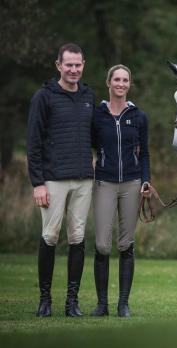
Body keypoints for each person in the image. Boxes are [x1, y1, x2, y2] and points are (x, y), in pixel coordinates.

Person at [27, 43, 95, 317]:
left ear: (83, 65)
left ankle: (72, 302)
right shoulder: (44, 97)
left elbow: (98, 134)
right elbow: (33, 143)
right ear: (59, 66)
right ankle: (45, 300)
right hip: (53, 179)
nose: (74, 69)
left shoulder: (89, 96)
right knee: (50, 236)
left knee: (77, 238)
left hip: (83, 180)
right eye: (69, 65)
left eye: (78, 65)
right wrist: (37, 183)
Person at [90, 64, 151, 317]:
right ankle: (102, 304)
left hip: (132, 184)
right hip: (104, 182)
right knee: (103, 245)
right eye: (116, 79)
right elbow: (91, 146)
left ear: (129, 84)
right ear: (108, 83)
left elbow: (145, 153)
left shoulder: (138, 117)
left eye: (125, 80)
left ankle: (123, 304)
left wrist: (145, 180)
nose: (121, 84)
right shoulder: (97, 115)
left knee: (126, 244)